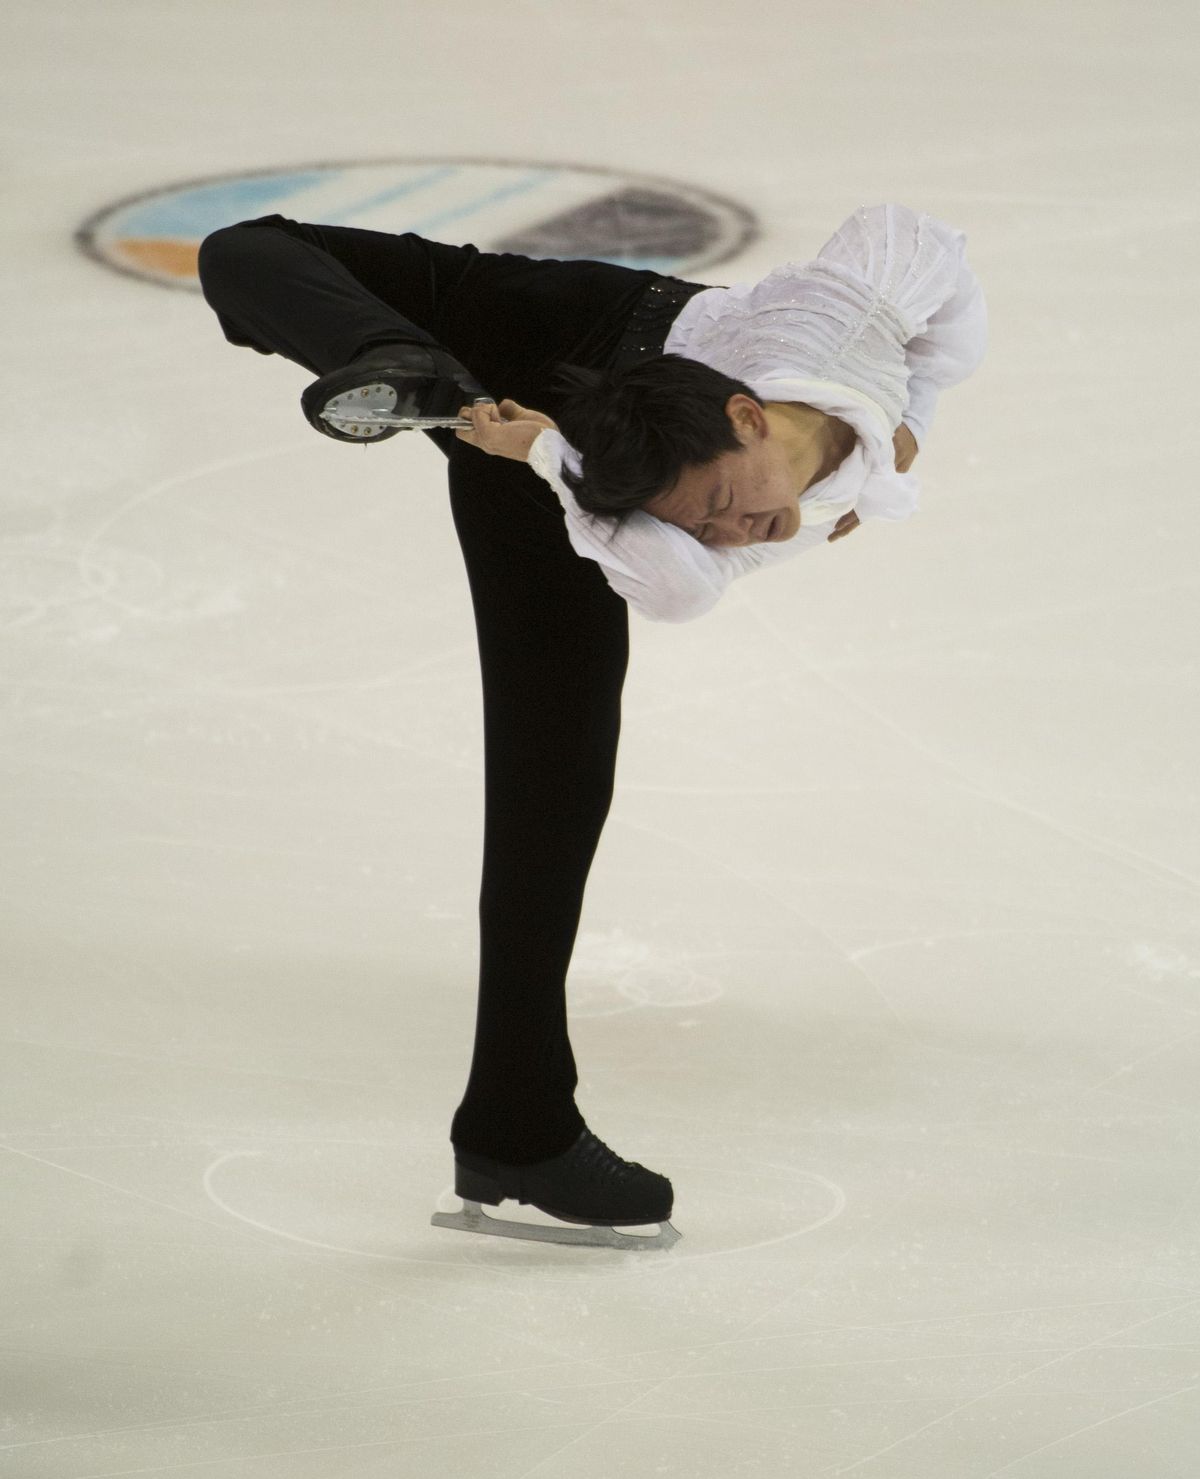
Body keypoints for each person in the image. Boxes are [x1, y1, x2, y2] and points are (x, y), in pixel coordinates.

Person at [196, 202, 986, 1249]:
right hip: (566, 335)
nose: (730, 526)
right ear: (746, 414)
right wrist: (532, 443)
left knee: (554, 783)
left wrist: (905, 420)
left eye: (712, 511)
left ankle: (516, 1120)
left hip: (591, 469)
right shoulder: (806, 342)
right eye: (712, 511)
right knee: (243, 251)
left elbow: (678, 578)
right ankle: (399, 360)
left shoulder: (674, 504)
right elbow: (901, 234)